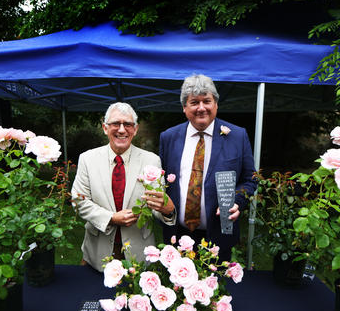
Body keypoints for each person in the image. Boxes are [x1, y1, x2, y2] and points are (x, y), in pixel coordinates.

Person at [159, 74, 257, 261]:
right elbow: (161, 181)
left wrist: (237, 201)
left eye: (207, 101)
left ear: (216, 104)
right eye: (194, 102)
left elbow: (250, 179)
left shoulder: (237, 136)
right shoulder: (168, 137)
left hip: (219, 236)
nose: (201, 108)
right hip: (176, 235)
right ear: (184, 107)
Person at [71, 102, 175, 272]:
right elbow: (79, 201)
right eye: (115, 124)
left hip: (139, 252)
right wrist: (110, 218)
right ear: (105, 128)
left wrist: (167, 211)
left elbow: (154, 206)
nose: (121, 129)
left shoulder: (152, 161)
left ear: (135, 129)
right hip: (97, 251)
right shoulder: (87, 159)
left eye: (127, 124)